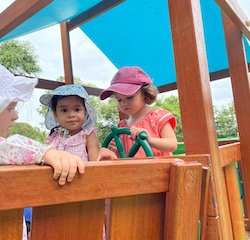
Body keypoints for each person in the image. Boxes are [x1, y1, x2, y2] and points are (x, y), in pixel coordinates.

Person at [0, 64, 85, 240]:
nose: (15, 116)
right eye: (10, 108)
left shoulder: (88, 134)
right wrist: (46, 153)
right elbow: (7, 146)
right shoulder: (53, 138)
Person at [100, 66, 177, 158]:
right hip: (133, 171)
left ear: (145, 93)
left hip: (160, 170)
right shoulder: (121, 127)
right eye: (119, 99)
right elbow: (123, 156)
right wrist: (113, 150)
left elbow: (172, 145)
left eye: (129, 97)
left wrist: (149, 140)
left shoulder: (157, 117)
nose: (124, 104)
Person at [39, 84, 117, 161]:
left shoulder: (88, 135)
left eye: (77, 110)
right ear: (56, 114)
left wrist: (102, 151)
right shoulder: (55, 136)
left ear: (86, 112)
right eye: (64, 110)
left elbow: (95, 161)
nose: (71, 115)